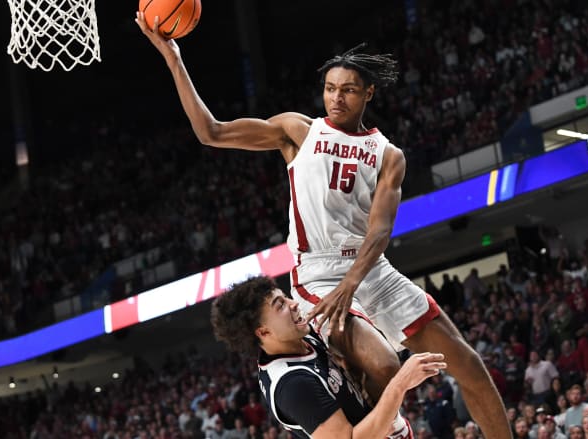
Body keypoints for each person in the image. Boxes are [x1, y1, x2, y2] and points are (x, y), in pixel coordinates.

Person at [136, 13, 510, 438]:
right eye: (330, 89)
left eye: (348, 90)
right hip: (318, 271)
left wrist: (353, 283)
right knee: (387, 365)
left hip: (371, 271)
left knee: (470, 366)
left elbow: (381, 231)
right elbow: (211, 132)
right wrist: (174, 58)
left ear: (368, 93)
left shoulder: (388, 155)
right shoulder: (298, 131)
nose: (336, 98)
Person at [210, 275, 447, 438]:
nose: (293, 305)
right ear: (263, 332)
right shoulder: (293, 385)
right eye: (280, 305)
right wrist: (399, 383)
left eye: (286, 298)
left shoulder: (300, 338)